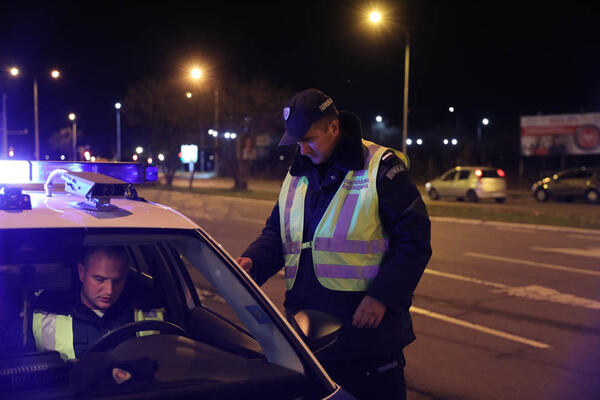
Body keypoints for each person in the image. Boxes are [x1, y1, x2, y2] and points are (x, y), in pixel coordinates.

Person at [236, 88, 431, 399]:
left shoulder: (380, 167)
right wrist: (253, 262)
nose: (302, 149)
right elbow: (278, 233)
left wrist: (382, 297)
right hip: (307, 338)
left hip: (366, 342)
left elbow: (415, 240)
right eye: (297, 142)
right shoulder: (297, 172)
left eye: (309, 139)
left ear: (334, 127)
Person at [31, 246, 165, 361]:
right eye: (99, 279)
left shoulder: (147, 312)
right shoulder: (45, 315)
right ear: (82, 272)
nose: (109, 291)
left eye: (117, 281)